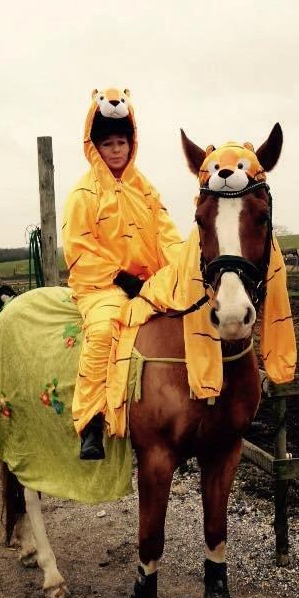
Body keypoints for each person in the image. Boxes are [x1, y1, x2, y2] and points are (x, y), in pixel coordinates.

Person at [62, 88, 184, 460]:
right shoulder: (83, 193)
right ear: (94, 146)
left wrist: (183, 267)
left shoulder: (145, 189)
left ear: (132, 144)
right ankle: (92, 422)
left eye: (121, 142)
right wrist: (121, 278)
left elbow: (167, 234)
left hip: (150, 280)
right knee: (103, 330)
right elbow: (79, 247)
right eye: (108, 143)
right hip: (102, 285)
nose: (115, 150)